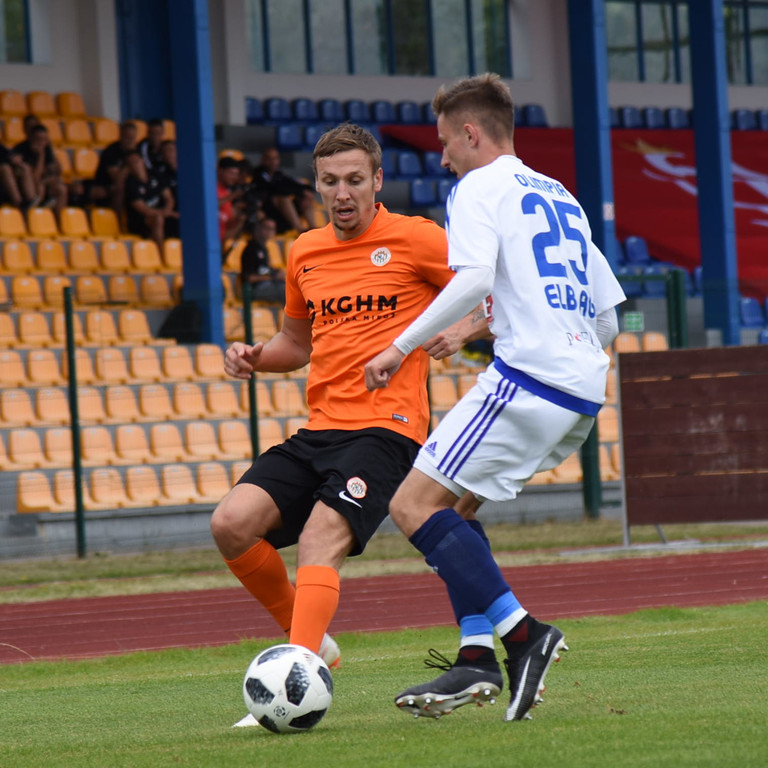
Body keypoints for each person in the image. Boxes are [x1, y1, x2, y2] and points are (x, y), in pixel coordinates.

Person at [364, 73, 626, 722]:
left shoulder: (478, 186)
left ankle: (522, 635)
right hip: (582, 391)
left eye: (447, 140)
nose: (443, 154)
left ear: (472, 133)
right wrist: (490, 326)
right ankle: (476, 658)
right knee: (457, 509)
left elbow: (476, 274)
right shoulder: (562, 194)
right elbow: (610, 321)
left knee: (412, 505)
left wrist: (401, 345)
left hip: (527, 378)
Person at [211, 123, 487, 727]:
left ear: (377, 181)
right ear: (316, 184)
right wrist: (255, 355)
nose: (343, 193)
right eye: (331, 181)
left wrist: (466, 332)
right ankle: (312, 640)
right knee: (230, 524)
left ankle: (295, 679)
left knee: (319, 539)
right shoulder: (304, 250)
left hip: (388, 429)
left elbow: (487, 291)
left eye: (355, 180)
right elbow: (295, 341)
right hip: (319, 429)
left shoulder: (418, 240)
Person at [252, 146, 315, 234]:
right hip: (269, 213)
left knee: (307, 195)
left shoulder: (279, 174)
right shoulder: (257, 174)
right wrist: (296, 191)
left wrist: (303, 193)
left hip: (283, 214)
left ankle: (313, 228)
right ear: (263, 159)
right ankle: (299, 230)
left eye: (275, 158)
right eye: (269, 158)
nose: (273, 162)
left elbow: (300, 185)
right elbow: (274, 189)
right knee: (283, 198)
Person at [123, 150, 178, 248]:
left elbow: (169, 198)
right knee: (158, 219)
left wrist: (168, 210)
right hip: (140, 220)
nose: (135, 165)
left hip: (163, 212)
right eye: (131, 163)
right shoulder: (130, 184)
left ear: (142, 161)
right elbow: (144, 209)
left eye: (136, 161)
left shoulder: (155, 174)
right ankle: (160, 253)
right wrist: (167, 213)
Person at [12, 122, 67, 212]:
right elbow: (35, 176)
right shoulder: (21, 149)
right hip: (26, 186)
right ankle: (35, 212)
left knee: (61, 189)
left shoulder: (47, 148)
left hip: (43, 182)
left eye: (44, 139)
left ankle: (59, 222)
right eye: (38, 139)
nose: (41, 142)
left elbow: (56, 172)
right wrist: (41, 156)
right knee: (39, 186)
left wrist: (50, 151)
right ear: (31, 138)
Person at [91, 120, 138, 211]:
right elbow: (117, 179)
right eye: (127, 137)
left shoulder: (137, 152)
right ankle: (117, 220)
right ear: (120, 136)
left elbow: (142, 176)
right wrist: (129, 163)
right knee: (120, 188)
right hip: (107, 185)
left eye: (132, 138)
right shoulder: (111, 151)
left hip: (130, 184)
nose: (130, 141)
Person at [238, 217, 286, 304]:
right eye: (266, 228)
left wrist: (278, 274)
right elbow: (249, 278)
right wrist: (272, 277)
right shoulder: (251, 249)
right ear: (258, 228)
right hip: (254, 289)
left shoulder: (264, 249)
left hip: (269, 284)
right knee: (287, 290)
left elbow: (265, 270)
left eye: (272, 229)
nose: (269, 231)